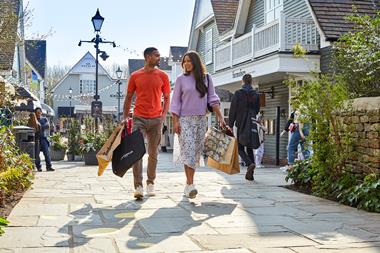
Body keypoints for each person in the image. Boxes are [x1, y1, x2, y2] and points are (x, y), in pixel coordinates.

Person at [170, 51, 225, 199]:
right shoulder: (180, 79)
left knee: (195, 154)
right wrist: (175, 122)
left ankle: (188, 185)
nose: (186, 64)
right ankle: (191, 184)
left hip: (201, 120)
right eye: (184, 61)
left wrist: (220, 117)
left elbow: (213, 98)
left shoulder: (207, 78)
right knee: (188, 151)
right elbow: (175, 102)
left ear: (195, 62)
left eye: (189, 61)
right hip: (185, 121)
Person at [123, 47, 171, 199]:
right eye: (157, 56)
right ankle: (138, 186)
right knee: (137, 153)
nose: (159, 58)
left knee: (153, 153)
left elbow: (167, 97)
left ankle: (151, 183)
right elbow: (129, 97)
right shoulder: (135, 76)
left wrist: (163, 116)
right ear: (148, 57)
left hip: (156, 120)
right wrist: (125, 117)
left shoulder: (163, 76)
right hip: (139, 118)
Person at [228, 74, 260, 181]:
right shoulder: (255, 94)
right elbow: (257, 109)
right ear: (251, 82)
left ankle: (249, 163)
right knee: (249, 146)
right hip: (251, 123)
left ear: (242, 81)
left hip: (241, 123)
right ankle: (251, 174)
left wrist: (230, 125)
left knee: (240, 147)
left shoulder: (238, 94)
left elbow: (233, 110)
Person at [29, 107, 54, 172]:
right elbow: (31, 127)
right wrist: (39, 127)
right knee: (37, 155)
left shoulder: (44, 119)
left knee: (47, 153)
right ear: (35, 113)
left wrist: (39, 127)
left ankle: (49, 166)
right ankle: (38, 167)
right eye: (37, 112)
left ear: (41, 112)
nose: (38, 113)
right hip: (36, 139)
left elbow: (47, 126)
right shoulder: (32, 119)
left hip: (43, 139)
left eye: (39, 112)